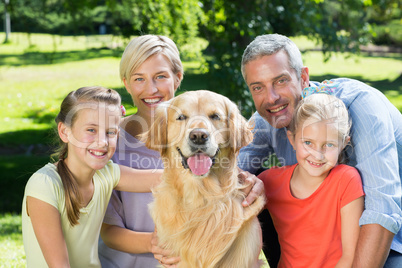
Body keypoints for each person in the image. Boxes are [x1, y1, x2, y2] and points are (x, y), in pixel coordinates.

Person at [98, 34, 264, 268]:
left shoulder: (204, 132)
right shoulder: (107, 143)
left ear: (177, 78)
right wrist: (159, 244)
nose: (151, 88)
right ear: (126, 83)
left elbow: (231, 168)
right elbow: (106, 230)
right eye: (139, 79)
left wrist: (248, 180)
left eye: (161, 76)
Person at [238, 33, 402, 267]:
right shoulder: (268, 117)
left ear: (303, 77)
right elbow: (227, 175)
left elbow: (384, 212)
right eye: (258, 87)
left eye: (281, 81)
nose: (271, 97)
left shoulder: (361, 108)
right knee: (251, 190)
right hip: (318, 242)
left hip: (392, 234)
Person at [21, 86, 163, 267]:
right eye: (91, 130)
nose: (102, 142)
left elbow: (164, 179)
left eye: (110, 132)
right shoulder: (45, 185)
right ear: (65, 132)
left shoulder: (105, 175)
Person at [259, 90, 365, 267]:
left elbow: (350, 256)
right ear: (292, 139)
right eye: (308, 142)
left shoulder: (346, 180)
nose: (317, 155)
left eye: (328, 145)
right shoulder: (270, 181)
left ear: (343, 144)